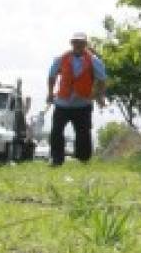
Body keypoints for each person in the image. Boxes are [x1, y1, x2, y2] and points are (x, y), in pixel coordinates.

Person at [46, 31, 107, 166]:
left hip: (83, 104)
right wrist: (50, 93)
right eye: (75, 42)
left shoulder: (94, 60)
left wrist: (100, 96)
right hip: (63, 103)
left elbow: (102, 79)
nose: (77, 45)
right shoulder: (61, 58)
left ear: (85, 44)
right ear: (71, 44)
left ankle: (83, 158)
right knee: (56, 131)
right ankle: (56, 159)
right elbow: (52, 76)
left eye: (80, 43)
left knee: (83, 133)